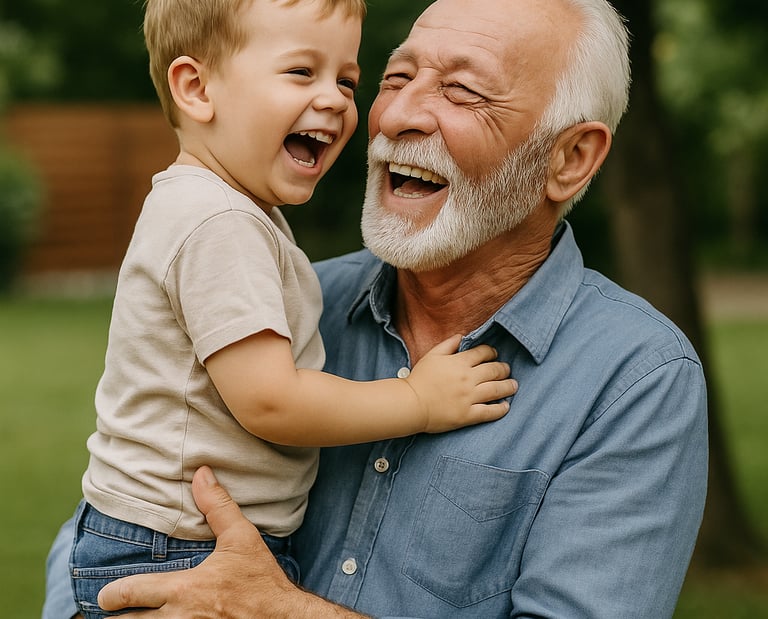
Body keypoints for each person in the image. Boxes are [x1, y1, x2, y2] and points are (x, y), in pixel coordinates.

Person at [44, 0, 709, 617]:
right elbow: (107, 514)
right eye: (396, 79)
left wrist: (281, 609)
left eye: (461, 90)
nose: (393, 116)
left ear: (569, 158)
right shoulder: (293, 299)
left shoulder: (637, 380)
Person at [56, 0, 519, 617]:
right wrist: (418, 402)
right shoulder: (218, 221)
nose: (333, 99)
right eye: (301, 72)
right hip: (174, 548)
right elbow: (269, 400)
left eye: (347, 81)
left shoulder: (226, 210)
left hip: (181, 538)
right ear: (197, 88)